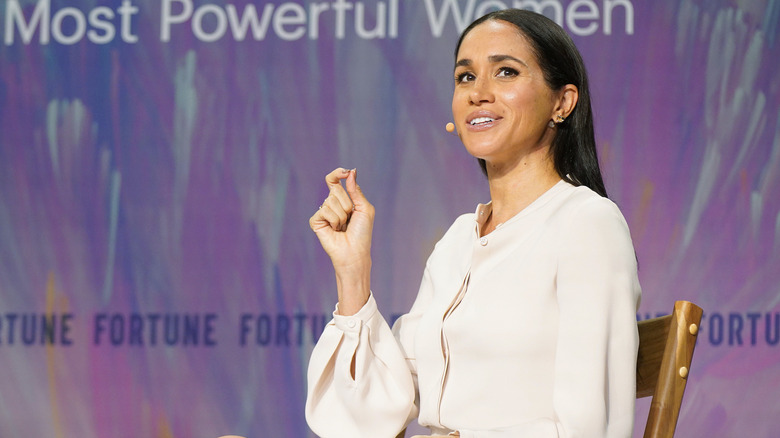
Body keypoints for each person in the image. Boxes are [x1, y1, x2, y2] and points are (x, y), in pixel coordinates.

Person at [305, 9, 641, 438]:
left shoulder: (587, 224)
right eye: (465, 77)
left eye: (505, 72)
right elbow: (372, 423)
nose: (478, 92)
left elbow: (588, 428)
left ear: (563, 102)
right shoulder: (458, 241)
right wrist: (353, 272)